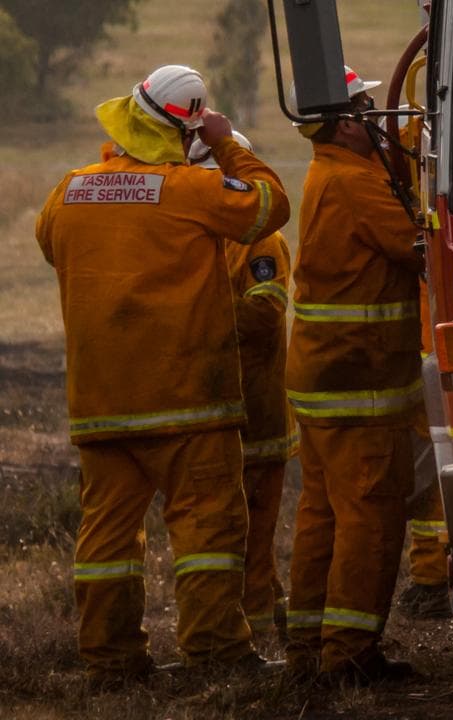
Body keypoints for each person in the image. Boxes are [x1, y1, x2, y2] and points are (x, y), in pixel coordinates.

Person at [35, 65, 290, 688]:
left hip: (100, 407)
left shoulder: (68, 190)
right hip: (187, 403)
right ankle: (216, 651)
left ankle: (111, 663)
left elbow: (52, 245)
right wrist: (227, 142)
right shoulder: (187, 190)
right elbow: (269, 205)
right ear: (188, 129)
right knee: (207, 529)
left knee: (106, 544)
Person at [284, 65, 425, 684]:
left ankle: (308, 646)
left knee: (323, 513)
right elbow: (419, 241)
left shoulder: (331, 172)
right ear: (344, 123)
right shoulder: (353, 182)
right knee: (369, 513)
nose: (379, 116)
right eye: (368, 108)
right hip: (358, 379)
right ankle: (348, 654)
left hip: (323, 376)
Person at [189, 131, 297, 643]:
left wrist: (192, 320)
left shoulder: (260, 241)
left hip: (257, 415)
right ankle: (268, 604)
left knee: (253, 525)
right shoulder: (199, 235)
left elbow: (266, 310)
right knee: (231, 524)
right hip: (215, 410)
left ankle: (253, 620)